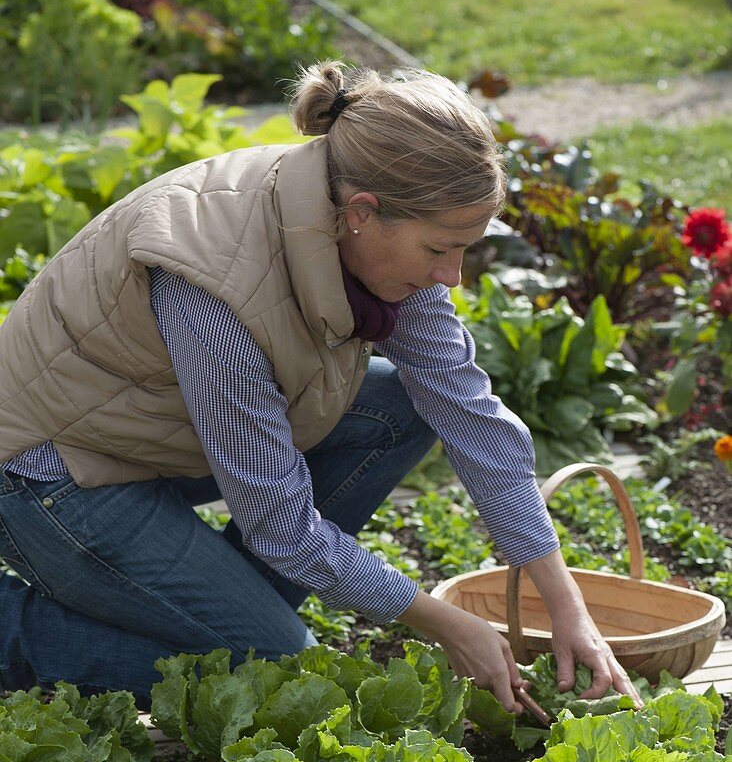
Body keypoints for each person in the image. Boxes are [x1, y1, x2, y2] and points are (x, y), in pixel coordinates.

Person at [0, 60, 640, 714]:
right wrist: (444, 622)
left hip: (151, 435)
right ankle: (14, 630)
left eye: (466, 249)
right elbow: (280, 524)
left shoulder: (366, 217)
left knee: (396, 410)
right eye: (441, 249)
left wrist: (567, 609)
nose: (452, 275)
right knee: (275, 666)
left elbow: (470, 417)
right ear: (364, 213)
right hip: (52, 473)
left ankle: (223, 606)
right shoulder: (214, 282)